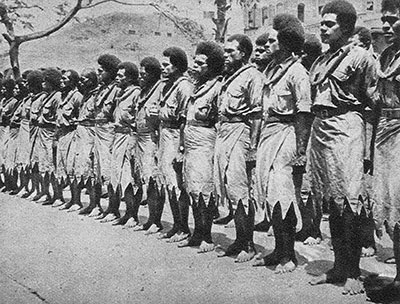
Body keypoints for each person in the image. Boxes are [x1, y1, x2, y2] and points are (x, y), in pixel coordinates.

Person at [307, 0, 377, 295]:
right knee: (331, 203)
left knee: (350, 202)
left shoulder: (362, 58)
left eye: (329, 24)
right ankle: (337, 266)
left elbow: (372, 105)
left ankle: (354, 272)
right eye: (321, 23)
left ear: (346, 28)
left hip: (348, 126)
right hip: (320, 128)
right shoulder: (321, 60)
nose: (323, 28)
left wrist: (368, 147)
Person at [253, 14, 312, 274]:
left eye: (273, 40)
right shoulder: (272, 70)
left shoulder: (298, 72)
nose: (267, 43)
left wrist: (300, 149)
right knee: (268, 194)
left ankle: (289, 256)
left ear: (286, 43)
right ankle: (278, 249)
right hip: (270, 132)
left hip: (287, 134)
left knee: (282, 194)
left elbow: (303, 112)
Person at [214, 34, 264, 263]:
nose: (226, 55)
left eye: (231, 51)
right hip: (224, 132)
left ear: (243, 53)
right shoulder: (229, 77)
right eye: (224, 51)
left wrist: (253, 147)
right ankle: (239, 240)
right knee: (227, 188)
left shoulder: (253, 75)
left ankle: (249, 244)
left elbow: (256, 113)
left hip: (240, 133)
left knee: (240, 190)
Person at [366, 0, 400, 301]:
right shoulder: (387, 55)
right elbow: (376, 101)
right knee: (390, 206)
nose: (387, 26)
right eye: (384, 20)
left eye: (393, 20)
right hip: (385, 134)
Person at [177, 41, 224, 252]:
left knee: (204, 189)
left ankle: (207, 236)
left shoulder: (218, 86)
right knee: (192, 188)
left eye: (201, 63)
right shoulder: (197, 86)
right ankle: (197, 233)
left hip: (205, 140)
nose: (195, 66)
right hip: (190, 140)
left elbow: (219, 118)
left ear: (212, 66)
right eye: (195, 62)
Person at [157, 47, 193, 242]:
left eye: (167, 65)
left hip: (175, 136)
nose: (163, 69)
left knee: (177, 184)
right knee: (168, 183)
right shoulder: (167, 85)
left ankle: (184, 227)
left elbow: (184, 120)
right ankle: (177, 224)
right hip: (165, 136)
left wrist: (181, 148)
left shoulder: (184, 87)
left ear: (177, 66)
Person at [100, 61, 141, 223]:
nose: (117, 77)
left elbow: (137, 119)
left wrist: (132, 142)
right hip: (116, 136)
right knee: (114, 174)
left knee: (128, 177)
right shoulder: (120, 92)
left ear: (130, 78)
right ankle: (113, 209)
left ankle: (131, 215)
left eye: (121, 75)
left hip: (129, 137)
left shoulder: (136, 93)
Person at [128, 57, 164, 232]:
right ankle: (150, 219)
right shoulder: (143, 90)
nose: (141, 77)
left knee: (153, 180)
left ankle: (156, 220)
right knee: (142, 178)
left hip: (152, 137)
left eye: (144, 74)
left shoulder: (160, 88)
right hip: (139, 137)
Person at [29, 68, 62, 202]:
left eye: (45, 82)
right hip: (41, 133)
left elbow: (58, 120)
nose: (42, 84)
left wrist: (55, 137)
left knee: (52, 165)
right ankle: (45, 192)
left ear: (51, 82)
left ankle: (57, 195)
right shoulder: (45, 96)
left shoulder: (57, 97)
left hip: (50, 133)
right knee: (42, 164)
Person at [92, 54, 121, 204]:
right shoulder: (101, 89)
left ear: (110, 72)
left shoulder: (117, 89)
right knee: (97, 168)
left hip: (109, 131)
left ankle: (113, 206)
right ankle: (98, 205)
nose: (99, 74)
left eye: (101, 71)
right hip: (98, 129)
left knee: (109, 168)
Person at [53, 69, 83, 209]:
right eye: (61, 79)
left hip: (72, 134)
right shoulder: (61, 96)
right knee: (62, 166)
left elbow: (82, 117)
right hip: (61, 134)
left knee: (72, 167)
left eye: (65, 79)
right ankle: (69, 199)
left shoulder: (77, 96)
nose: (62, 81)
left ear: (73, 82)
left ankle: (76, 200)